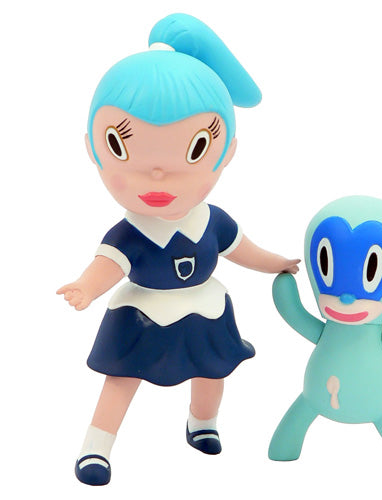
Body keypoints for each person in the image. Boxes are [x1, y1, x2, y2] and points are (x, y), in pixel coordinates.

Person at [57, 13, 299, 486]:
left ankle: (202, 423)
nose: (157, 176)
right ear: (93, 149)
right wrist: (86, 287)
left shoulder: (213, 221)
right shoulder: (130, 232)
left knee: (212, 374)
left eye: (194, 151)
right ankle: (96, 447)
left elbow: (242, 249)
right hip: (141, 313)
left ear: (226, 153)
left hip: (204, 310)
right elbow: (108, 263)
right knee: (121, 379)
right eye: (120, 146)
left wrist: (278, 264)